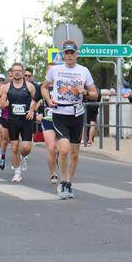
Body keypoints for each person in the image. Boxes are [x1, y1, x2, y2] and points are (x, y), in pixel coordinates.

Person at [41, 40, 99, 199]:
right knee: (64, 149)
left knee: (74, 153)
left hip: (77, 115)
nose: (69, 56)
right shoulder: (55, 69)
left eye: (72, 53)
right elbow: (44, 87)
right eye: (66, 53)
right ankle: (63, 181)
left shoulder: (84, 71)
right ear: (63, 54)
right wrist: (48, 100)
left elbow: (95, 94)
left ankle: (68, 183)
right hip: (59, 113)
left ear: (76, 54)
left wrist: (86, 92)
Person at [0, 63, 37, 182]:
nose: (17, 72)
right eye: (14, 71)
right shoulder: (6, 87)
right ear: (11, 73)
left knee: (26, 147)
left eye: (19, 70)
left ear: (22, 72)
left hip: (26, 120)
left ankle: (22, 157)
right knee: (14, 147)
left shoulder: (30, 86)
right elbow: (0, 103)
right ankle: (17, 173)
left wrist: (32, 110)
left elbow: (37, 100)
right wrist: (2, 104)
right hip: (12, 120)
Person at [38, 63, 59, 183]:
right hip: (47, 120)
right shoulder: (42, 87)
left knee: (60, 150)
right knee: (51, 148)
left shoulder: (62, 85)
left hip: (61, 119)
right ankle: (54, 174)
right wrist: (36, 112)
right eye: (50, 70)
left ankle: (59, 165)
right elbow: (34, 102)